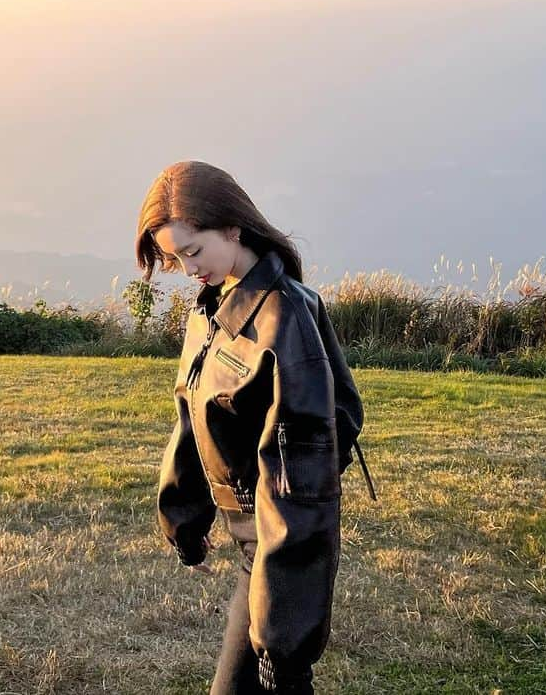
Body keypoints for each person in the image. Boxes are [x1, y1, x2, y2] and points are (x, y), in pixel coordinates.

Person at [135, 160, 374, 695]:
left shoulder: (284, 319)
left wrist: (284, 638)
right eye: (175, 258)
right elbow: (191, 420)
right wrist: (184, 521)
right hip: (247, 539)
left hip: (271, 542)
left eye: (193, 251)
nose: (188, 268)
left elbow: (303, 490)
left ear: (233, 228)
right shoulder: (211, 307)